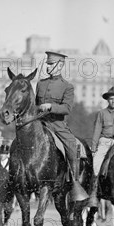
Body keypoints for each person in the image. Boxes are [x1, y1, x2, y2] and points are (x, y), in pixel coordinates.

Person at [35, 50, 88, 201]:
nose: (47, 66)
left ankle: (74, 183)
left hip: (57, 125)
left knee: (72, 146)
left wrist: (50, 106)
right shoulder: (40, 84)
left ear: (59, 65)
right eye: (47, 63)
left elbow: (67, 108)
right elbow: (35, 105)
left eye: (50, 64)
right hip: (40, 123)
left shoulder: (67, 86)